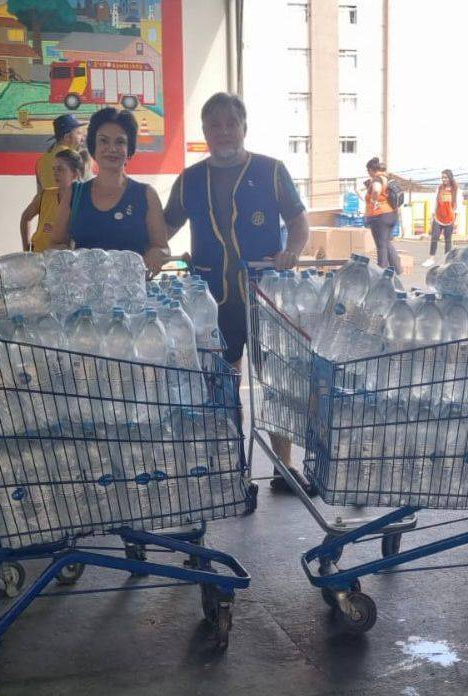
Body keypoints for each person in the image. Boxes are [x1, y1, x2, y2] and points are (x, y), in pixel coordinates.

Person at [163, 92, 312, 495]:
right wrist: (160, 253)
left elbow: (299, 221)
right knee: (223, 387)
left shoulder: (271, 170)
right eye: (215, 125)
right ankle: (232, 468)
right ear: (205, 132)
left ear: (244, 127)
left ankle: (284, 467)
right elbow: (162, 229)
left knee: (278, 382)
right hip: (214, 304)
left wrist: (292, 252)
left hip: (266, 296)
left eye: (231, 123)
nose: (224, 131)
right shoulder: (190, 180)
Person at [50, 107, 170, 271]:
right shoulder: (75, 193)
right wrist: (64, 257)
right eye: (104, 141)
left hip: (132, 293)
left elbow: (162, 248)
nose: (112, 148)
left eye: (120, 142)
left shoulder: (146, 194)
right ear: (93, 146)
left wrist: (157, 254)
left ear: (129, 148)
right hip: (84, 293)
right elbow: (55, 243)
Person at [20, 149, 84, 252]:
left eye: (60, 169)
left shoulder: (84, 201)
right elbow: (25, 217)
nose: (55, 173)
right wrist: (26, 249)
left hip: (65, 261)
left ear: (75, 173)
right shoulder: (45, 195)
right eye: (54, 169)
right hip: (39, 258)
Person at [363, 157, 402, 274]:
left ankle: (382, 272)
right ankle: (397, 269)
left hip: (380, 216)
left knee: (381, 246)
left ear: (370, 169)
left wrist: (374, 201)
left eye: (368, 170)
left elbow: (376, 190)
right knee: (386, 242)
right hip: (391, 214)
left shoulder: (377, 179)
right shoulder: (385, 178)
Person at [37, 114, 85, 190]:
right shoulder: (72, 157)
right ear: (67, 137)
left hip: (49, 201)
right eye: (79, 133)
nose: (83, 138)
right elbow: (82, 191)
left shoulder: (42, 160)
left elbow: (40, 194)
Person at [422, 169, 457, 268]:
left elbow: (458, 206)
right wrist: (432, 215)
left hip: (450, 218)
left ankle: (447, 260)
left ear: (450, 178)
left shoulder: (455, 189)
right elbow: (436, 202)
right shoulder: (439, 188)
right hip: (438, 217)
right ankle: (431, 258)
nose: (443, 179)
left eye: (445, 177)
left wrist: (456, 219)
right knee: (434, 237)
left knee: (448, 240)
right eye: (442, 177)